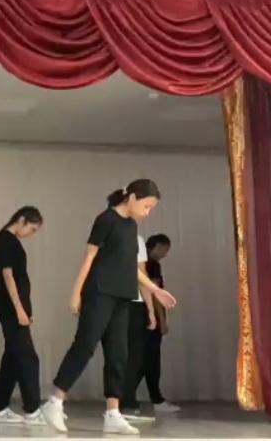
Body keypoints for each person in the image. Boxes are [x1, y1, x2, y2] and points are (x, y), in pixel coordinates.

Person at [44, 179, 178, 435]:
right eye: (147, 206)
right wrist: (76, 293)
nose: (148, 212)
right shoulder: (106, 220)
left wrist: (155, 289)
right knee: (84, 346)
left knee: (118, 354)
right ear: (133, 197)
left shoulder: (131, 226)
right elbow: (89, 256)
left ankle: (113, 413)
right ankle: (54, 401)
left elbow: (131, 267)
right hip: (99, 293)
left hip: (122, 297)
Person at [0, 206, 48, 426]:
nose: (31, 234)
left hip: (15, 310)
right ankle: (32, 410)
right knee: (28, 358)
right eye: (31, 229)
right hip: (12, 310)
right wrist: (20, 310)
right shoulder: (5, 240)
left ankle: (0, 407)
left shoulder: (10, 241)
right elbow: (7, 276)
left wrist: (25, 310)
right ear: (22, 219)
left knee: (13, 358)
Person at [135, 234, 180, 414]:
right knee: (150, 360)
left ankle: (126, 398)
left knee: (141, 359)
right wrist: (161, 320)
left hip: (137, 316)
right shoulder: (152, 264)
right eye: (165, 250)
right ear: (158, 246)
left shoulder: (139, 261)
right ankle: (155, 400)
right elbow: (155, 294)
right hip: (148, 318)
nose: (165, 255)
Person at [119, 234, 157, 421]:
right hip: (133, 303)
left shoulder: (103, 235)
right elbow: (141, 275)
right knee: (135, 355)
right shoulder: (134, 238)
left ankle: (116, 401)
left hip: (111, 303)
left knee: (117, 353)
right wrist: (151, 310)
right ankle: (126, 401)